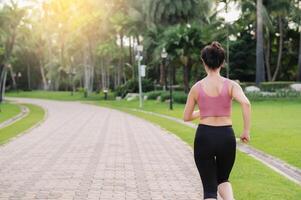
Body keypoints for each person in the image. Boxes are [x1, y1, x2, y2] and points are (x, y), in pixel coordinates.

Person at [183, 41, 251, 200]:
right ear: (222, 62)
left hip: (204, 136)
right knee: (223, 179)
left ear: (203, 62)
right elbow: (246, 103)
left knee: (209, 191)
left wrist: (204, 111)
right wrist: (246, 130)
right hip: (226, 136)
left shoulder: (196, 88)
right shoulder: (231, 85)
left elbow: (186, 117)